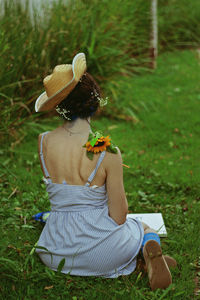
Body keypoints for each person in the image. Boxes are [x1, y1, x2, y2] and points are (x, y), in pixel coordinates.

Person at [35, 53, 176, 290]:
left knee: (56, 217)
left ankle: (140, 258)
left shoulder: (43, 142)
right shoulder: (106, 150)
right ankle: (145, 247)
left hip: (54, 254)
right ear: (95, 101)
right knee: (140, 226)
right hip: (105, 253)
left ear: (59, 108)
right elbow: (119, 216)